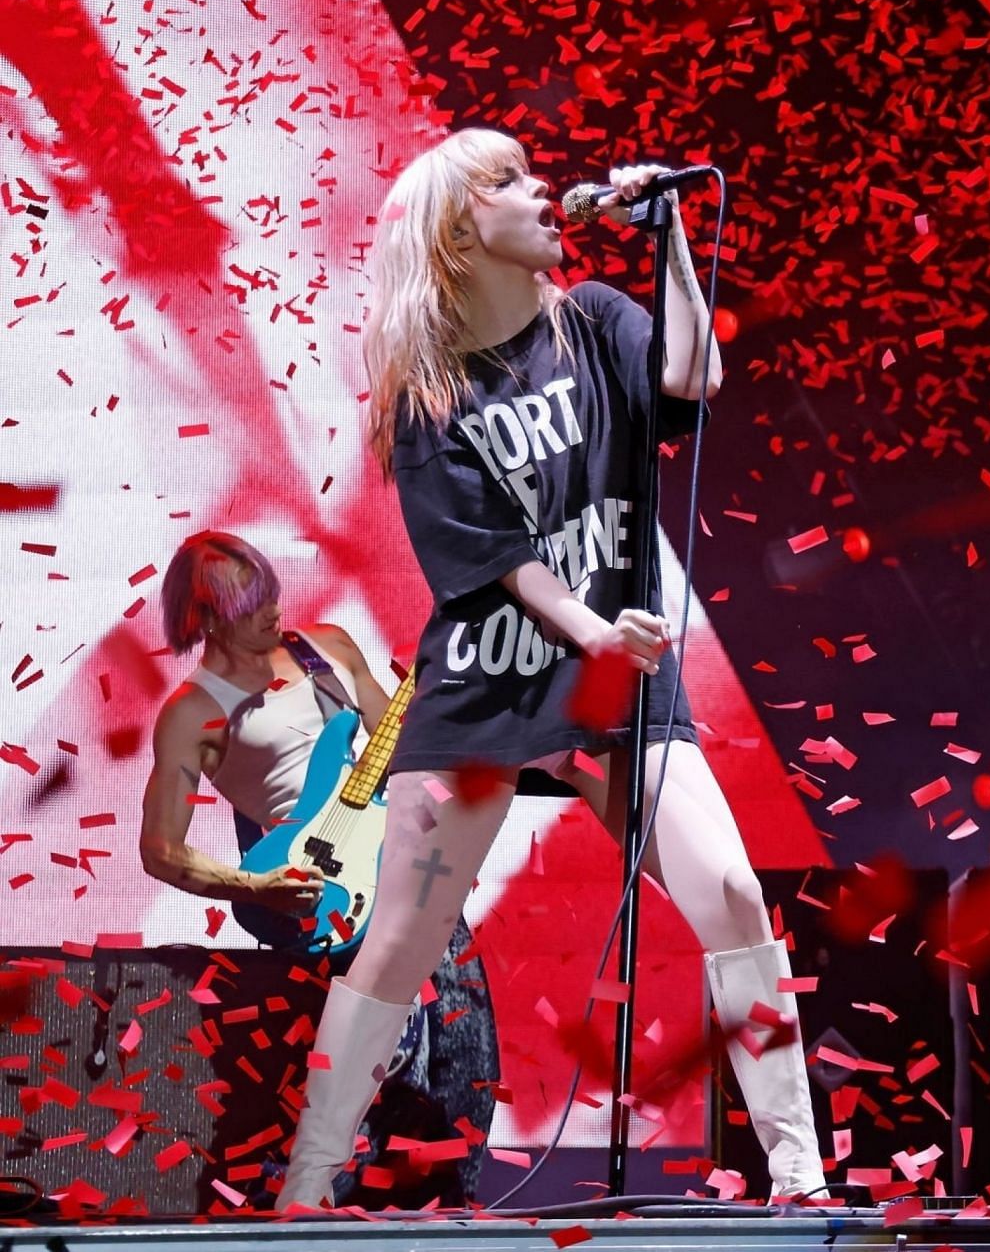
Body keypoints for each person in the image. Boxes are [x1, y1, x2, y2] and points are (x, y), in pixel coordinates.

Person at [274, 127, 825, 1211]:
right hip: (490, 685)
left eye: (533, 178)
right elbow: (494, 562)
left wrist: (668, 230)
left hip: (613, 686)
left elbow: (693, 373)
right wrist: (590, 627)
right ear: (460, 231)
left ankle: (799, 1174)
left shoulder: (601, 319)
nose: (541, 193)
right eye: (510, 184)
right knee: (402, 934)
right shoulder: (429, 395)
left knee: (728, 889)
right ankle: (306, 1181)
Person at [140, 531, 498, 1208]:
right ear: (209, 616)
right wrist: (255, 886)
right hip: (320, 892)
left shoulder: (326, 646)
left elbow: (409, 748)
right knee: (385, 1068)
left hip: (403, 857)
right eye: (252, 606)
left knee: (461, 1053)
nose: (273, 613)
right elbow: (159, 847)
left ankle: (453, 1211)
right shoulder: (192, 712)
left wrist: (432, 702)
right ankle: (332, 1207)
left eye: (272, 593)